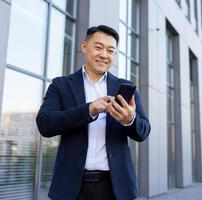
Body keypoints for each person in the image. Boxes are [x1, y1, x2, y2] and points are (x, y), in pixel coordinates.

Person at [36, 25, 151, 200]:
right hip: (72, 187)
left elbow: (144, 131)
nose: (104, 55)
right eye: (98, 47)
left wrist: (130, 119)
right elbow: (45, 124)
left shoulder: (126, 88)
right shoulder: (61, 85)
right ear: (84, 47)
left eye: (110, 50)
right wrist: (89, 109)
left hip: (115, 188)